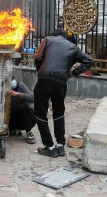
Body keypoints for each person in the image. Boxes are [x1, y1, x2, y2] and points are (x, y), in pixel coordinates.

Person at [33, 28, 93, 158]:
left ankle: (49, 146)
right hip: (61, 82)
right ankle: (60, 146)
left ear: (53, 35)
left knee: (40, 113)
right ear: (65, 37)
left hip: (45, 81)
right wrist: (73, 73)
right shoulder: (73, 47)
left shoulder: (47, 40)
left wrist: (40, 70)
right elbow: (89, 61)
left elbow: (38, 57)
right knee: (59, 112)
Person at [9, 77, 36, 144]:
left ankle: (29, 132)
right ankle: (13, 130)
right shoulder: (2, 87)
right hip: (13, 119)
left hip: (28, 119)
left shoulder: (20, 85)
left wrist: (18, 94)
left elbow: (33, 98)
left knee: (22, 106)